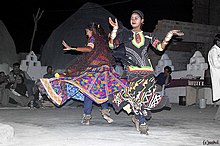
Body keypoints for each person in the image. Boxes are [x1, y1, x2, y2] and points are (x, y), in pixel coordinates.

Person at [108, 10, 184, 134]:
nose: (133, 19)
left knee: (144, 99)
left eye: (136, 18)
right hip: (132, 72)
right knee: (135, 97)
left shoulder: (148, 36)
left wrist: (169, 34)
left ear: (142, 21)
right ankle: (142, 121)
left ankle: (138, 117)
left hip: (147, 73)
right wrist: (115, 29)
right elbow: (112, 46)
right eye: (132, 17)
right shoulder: (125, 35)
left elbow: (160, 48)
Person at [37, 22, 127, 125]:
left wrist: (72, 48)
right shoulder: (102, 40)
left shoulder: (93, 38)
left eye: (87, 32)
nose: (86, 34)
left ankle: (88, 115)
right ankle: (105, 110)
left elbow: (89, 49)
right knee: (103, 89)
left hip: (96, 70)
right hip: (105, 70)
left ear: (91, 31)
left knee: (87, 90)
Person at [208, 34, 220, 120]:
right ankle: (217, 116)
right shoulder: (213, 51)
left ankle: (217, 116)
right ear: (218, 41)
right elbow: (216, 64)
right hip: (217, 76)